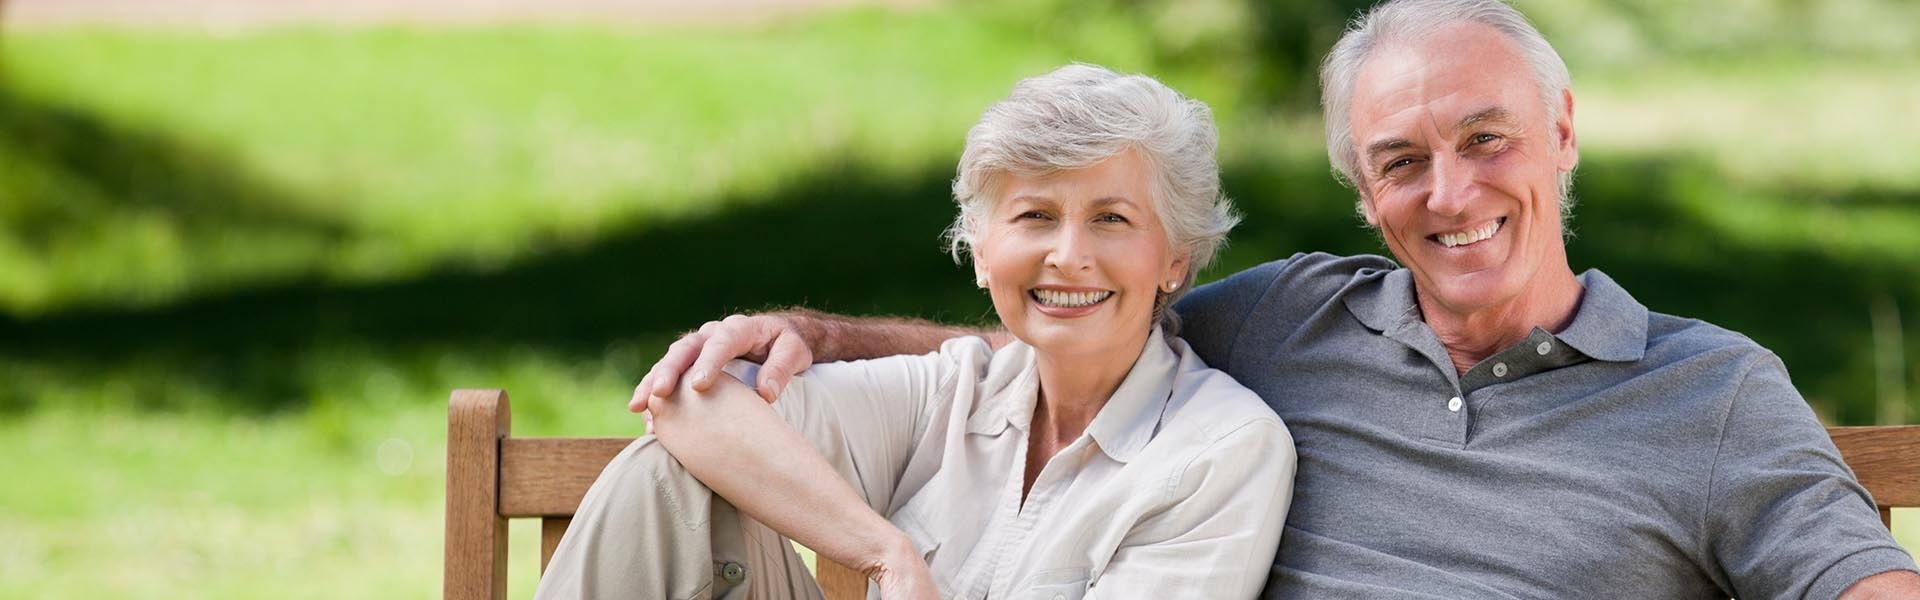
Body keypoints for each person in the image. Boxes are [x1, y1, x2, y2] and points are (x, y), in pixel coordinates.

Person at [630, 0, 1920, 598]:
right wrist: (821, 336)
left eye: (1488, 140)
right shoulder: (1292, 319)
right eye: (1400, 160)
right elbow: (1078, 316)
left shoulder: (1708, 393)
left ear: (1563, 135)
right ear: (1363, 191)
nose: (1449, 192)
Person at [538, 64, 1295, 599]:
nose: (1068, 254)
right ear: (981, 252)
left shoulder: (1221, 451)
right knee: (668, 476)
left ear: (1174, 258)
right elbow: (693, 402)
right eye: (1034, 215)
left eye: (1112, 218)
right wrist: (884, 551)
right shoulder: (953, 389)